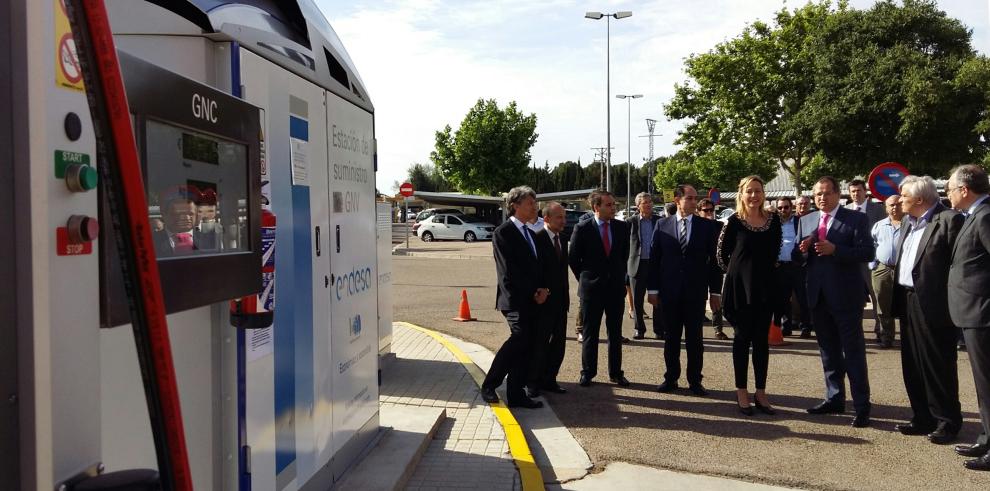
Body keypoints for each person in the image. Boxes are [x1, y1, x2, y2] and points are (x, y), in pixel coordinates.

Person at [794, 176, 874, 427]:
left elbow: (867, 252)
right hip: (818, 295)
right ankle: (834, 398)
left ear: (838, 194)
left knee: (853, 353)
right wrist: (802, 249)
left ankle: (862, 406)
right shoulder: (806, 220)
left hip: (846, 297)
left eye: (827, 193)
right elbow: (799, 260)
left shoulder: (856, 218)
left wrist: (836, 250)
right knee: (828, 352)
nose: (822, 198)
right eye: (818, 194)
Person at [892, 176, 964, 445]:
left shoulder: (949, 221)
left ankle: (947, 421)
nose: (899, 200)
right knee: (912, 362)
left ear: (920, 199)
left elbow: (959, 267)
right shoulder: (907, 224)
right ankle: (922, 416)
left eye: (903, 196)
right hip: (908, 300)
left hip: (935, 304)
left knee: (937, 363)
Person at [648, 185, 723, 396]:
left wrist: (715, 292)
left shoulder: (706, 227)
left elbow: (714, 263)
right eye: (689, 198)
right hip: (669, 291)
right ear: (677, 199)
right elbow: (655, 260)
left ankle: (695, 381)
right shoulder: (662, 225)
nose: (693, 201)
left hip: (695, 291)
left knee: (695, 339)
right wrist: (652, 289)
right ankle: (671, 378)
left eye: (694, 198)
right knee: (671, 337)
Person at [718, 176, 782, 415]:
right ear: (741, 194)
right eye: (749, 192)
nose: (754, 196)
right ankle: (741, 391)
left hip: (765, 289)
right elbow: (722, 255)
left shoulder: (773, 220)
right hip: (739, 291)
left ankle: (761, 392)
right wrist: (740, 274)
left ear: (763, 193)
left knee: (761, 342)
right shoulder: (733, 221)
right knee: (741, 340)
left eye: (758, 191)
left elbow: (775, 252)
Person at [480, 186, 548, 409]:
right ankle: (490, 384)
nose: (534, 207)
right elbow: (509, 271)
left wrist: (543, 289)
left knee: (526, 345)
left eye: (535, 202)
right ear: (516, 205)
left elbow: (539, 268)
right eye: (530, 203)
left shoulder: (531, 233)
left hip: (534, 300)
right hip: (515, 299)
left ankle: (516, 394)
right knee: (519, 338)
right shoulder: (504, 232)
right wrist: (532, 292)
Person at [945, 164, 990, 471]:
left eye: (949, 188)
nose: (947, 193)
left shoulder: (985, 216)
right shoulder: (976, 214)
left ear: (964, 189)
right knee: (982, 384)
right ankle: (986, 438)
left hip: (983, 312)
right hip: (973, 312)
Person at [569, 190, 631, 387]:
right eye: (609, 205)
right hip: (591, 290)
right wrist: (586, 278)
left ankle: (616, 372)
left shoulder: (622, 228)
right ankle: (588, 372)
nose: (614, 208)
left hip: (614, 289)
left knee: (615, 333)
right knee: (590, 333)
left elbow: (624, 256)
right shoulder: (583, 228)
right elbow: (573, 259)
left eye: (614, 204)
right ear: (596, 207)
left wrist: (618, 278)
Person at [528, 202, 570, 397]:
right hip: (544, 303)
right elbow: (535, 271)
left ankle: (550, 379)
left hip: (561, 303)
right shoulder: (537, 239)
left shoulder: (562, 238)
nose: (563, 221)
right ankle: (533, 382)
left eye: (564, 216)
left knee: (558, 345)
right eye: (559, 217)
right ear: (546, 219)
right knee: (540, 344)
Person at [846, 179, 886, 343]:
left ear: (865, 192)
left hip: (871, 260)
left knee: (877, 296)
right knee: (851, 297)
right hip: (851, 261)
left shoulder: (877, 209)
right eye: (853, 191)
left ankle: (881, 330)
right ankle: (854, 331)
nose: (856, 194)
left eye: (858, 191)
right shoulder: (845, 210)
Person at [870, 195, 904, 348]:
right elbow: (872, 244)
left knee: (906, 303)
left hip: (903, 269)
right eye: (891, 205)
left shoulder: (910, 223)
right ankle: (886, 336)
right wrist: (873, 264)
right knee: (882, 304)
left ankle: (910, 337)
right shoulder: (879, 225)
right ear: (886, 207)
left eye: (898, 204)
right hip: (882, 269)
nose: (894, 208)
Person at [628, 192, 662, 340]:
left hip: (655, 265)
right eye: (645, 203)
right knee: (637, 299)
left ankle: (659, 329)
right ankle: (639, 329)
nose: (648, 205)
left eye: (650, 202)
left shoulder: (660, 221)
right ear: (638, 206)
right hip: (637, 264)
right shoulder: (630, 222)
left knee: (657, 298)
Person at [773, 197, 806, 337]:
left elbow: (806, 240)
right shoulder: (773, 224)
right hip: (780, 267)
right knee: (783, 299)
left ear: (791, 207)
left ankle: (806, 327)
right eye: (780, 208)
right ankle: (786, 327)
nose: (783, 210)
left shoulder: (799, 222)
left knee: (802, 297)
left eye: (785, 207)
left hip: (797, 266)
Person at [698, 198, 729, 340]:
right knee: (700, 297)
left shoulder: (720, 225)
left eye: (712, 210)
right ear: (699, 212)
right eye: (706, 210)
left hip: (716, 267)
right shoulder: (696, 226)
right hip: (700, 268)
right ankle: (697, 327)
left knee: (717, 297)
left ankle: (718, 328)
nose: (710, 213)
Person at [153, 185, 202, 257]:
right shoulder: (151, 242)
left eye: (190, 214)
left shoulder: (210, 240)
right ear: (164, 213)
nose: (186, 218)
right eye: (178, 214)